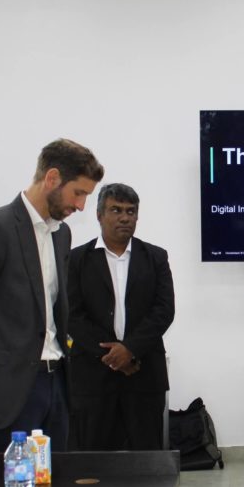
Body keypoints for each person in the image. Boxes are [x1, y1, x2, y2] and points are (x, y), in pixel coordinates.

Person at [0, 138, 104, 453]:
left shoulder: (61, 234)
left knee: (54, 480)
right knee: (6, 482)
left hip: (55, 385)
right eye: (78, 193)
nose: (81, 206)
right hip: (5, 391)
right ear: (52, 178)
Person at [67, 183, 175, 450]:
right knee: (92, 462)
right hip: (92, 378)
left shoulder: (156, 257)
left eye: (131, 211)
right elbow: (71, 315)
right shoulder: (76, 259)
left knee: (146, 462)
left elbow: (164, 310)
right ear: (99, 215)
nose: (125, 217)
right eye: (116, 210)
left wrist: (130, 350)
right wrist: (114, 356)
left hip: (144, 374)